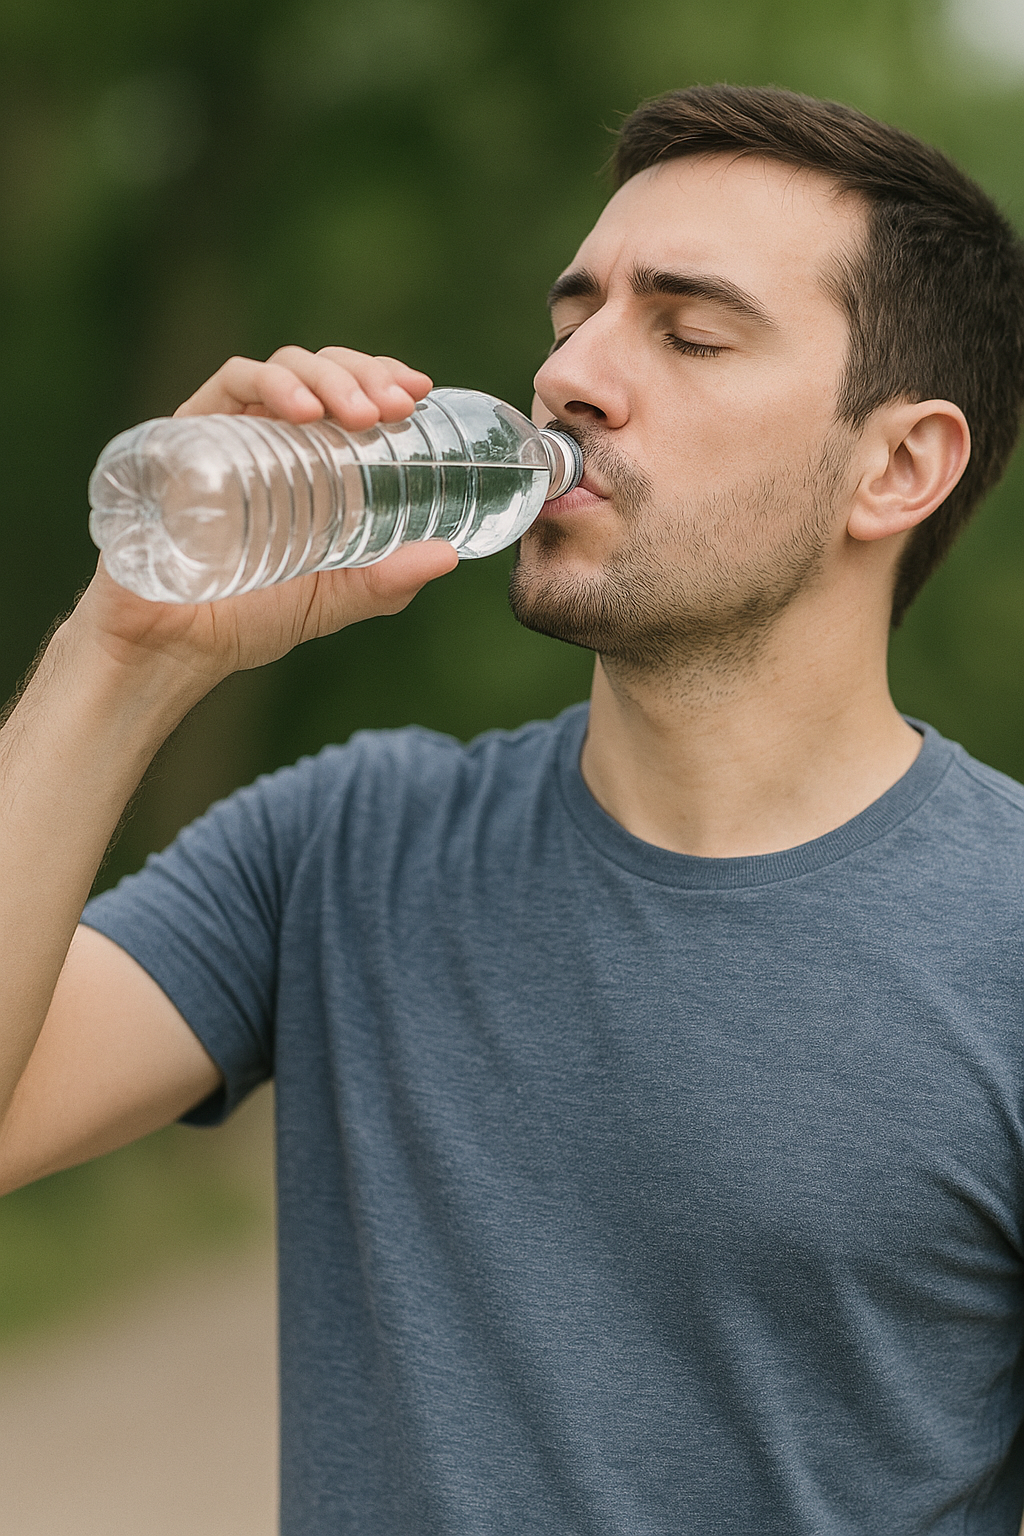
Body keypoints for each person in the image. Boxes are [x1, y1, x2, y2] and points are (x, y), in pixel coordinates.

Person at [2, 81, 1024, 1534]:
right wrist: (123, 656)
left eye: (689, 332)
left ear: (899, 464)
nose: (573, 376)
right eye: (577, 315)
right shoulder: (346, 845)